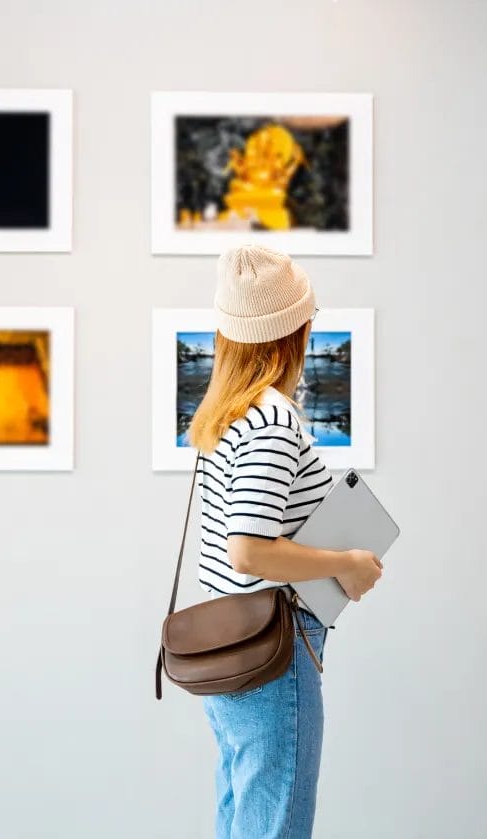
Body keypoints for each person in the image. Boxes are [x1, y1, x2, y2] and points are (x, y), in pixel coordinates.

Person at [186, 244, 383, 839]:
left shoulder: (226, 416)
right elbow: (247, 549)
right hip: (272, 654)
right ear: (291, 333)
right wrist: (347, 562)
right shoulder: (273, 420)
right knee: (276, 825)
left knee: (244, 816)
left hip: (230, 648)